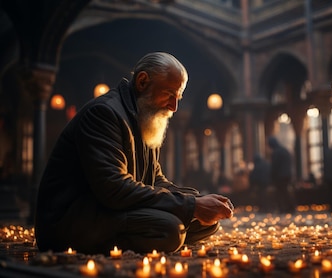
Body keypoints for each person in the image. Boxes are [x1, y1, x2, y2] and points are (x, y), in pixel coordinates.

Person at [34, 52, 234, 255]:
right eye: (168, 94)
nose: (174, 107)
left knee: (206, 222)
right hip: (74, 220)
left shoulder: (144, 117)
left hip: (112, 208)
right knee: (170, 229)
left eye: (178, 98)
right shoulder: (104, 113)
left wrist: (197, 202)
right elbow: (114, 189)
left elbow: (155, 180)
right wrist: (191, 205)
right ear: (142, 81)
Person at [267, 136, 294, 213]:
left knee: (281, 193)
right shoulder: (284, 150)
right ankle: (290, 208)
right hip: (287, 175)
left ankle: (283, 208)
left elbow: (275, 166)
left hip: (280, 176)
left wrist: (272, 177)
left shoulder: (276, 152)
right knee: (285, 192)